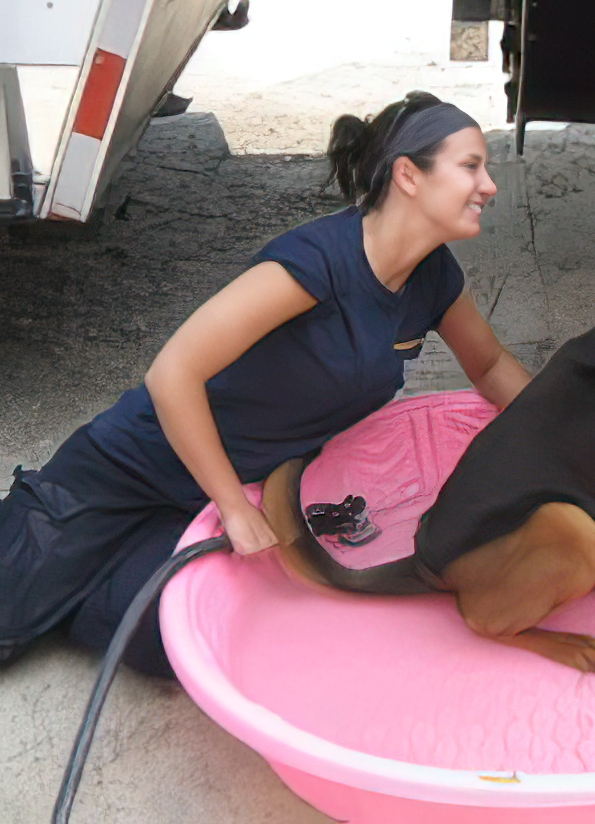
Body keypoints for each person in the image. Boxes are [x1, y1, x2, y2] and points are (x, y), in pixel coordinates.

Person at [0, 92, 531, 676]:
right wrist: (232, 507)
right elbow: (173, 373)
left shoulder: (433, 278)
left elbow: (489, 366)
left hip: (202, 505)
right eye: (470, 166)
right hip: (128, 472)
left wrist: (562, 430)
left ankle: (73, 585)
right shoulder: (316, 262)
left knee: (174, 644)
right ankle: (42, 537)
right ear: (408, 174)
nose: (489, 185)